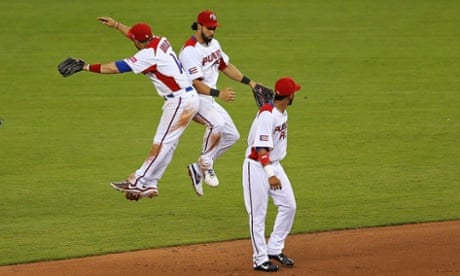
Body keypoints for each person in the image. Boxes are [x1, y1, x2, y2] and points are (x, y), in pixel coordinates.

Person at [67, 17, 200, 201]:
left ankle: (136, 181)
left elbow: (115, 68)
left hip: (180, 101)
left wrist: (86, 67)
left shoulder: (147, 56)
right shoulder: (160, 40)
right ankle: (150, 183)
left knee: (161, 143)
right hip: (188, 97)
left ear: (137, 41)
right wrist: (116, 26)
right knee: (168, 144)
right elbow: (136, 36)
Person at [242, 77, 300, 272]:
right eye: (294, 93)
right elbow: (260, 148)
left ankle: (274, 248)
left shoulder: (281, 113)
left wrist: (273, 171)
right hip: (257, 167)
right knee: (257, 215)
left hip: (274, 165)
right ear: (289, 96)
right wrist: (270, 174)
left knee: (289, 206)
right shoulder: (268, 115)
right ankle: (259, 259)